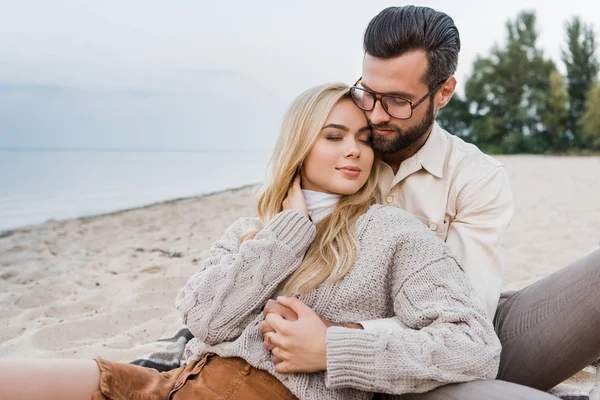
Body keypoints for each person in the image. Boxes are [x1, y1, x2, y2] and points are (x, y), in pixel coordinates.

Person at [0, 84, 504, 399]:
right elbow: (203, 318)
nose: (354, 150)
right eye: (333, 136)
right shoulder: (250, 230)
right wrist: (286, 232)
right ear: (299, 145)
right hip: (171, 384)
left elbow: (473, 347)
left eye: (364, 139)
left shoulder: (393, 232)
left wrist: (333, 349)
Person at [260, 5, 600, 399]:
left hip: (448, 348)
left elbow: (470, 324)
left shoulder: (476, 176)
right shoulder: (337, 159)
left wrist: (335, 341)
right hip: (348, 373)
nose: (374, 114)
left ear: (443, 93)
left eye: (397, 101)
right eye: (367, 92)